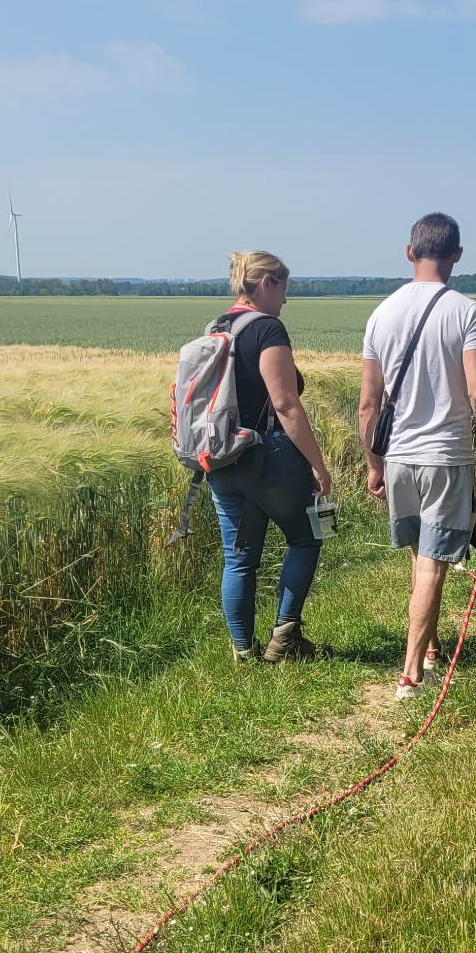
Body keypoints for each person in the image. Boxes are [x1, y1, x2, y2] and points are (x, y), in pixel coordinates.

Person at [358, 212, 476, 700]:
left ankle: (429, 647)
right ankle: (411, 675)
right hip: (446, 458)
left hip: (399, 459)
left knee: (421, 558)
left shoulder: (381, 314)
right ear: (457, 255)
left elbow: (367, 404)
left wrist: (374, 463)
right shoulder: (466, 312)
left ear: (410, 252)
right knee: (432, 565)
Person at [208, 250, 332, 663]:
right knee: (307, 536)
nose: (285, 299)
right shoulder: (267, 329)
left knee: (238, 559)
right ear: (267, 283)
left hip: (222, 458)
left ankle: (243, 651)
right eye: (283, 289)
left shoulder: (217, 328)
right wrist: (317, 464)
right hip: (267, 456)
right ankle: (285, 638)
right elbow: (285, 404)